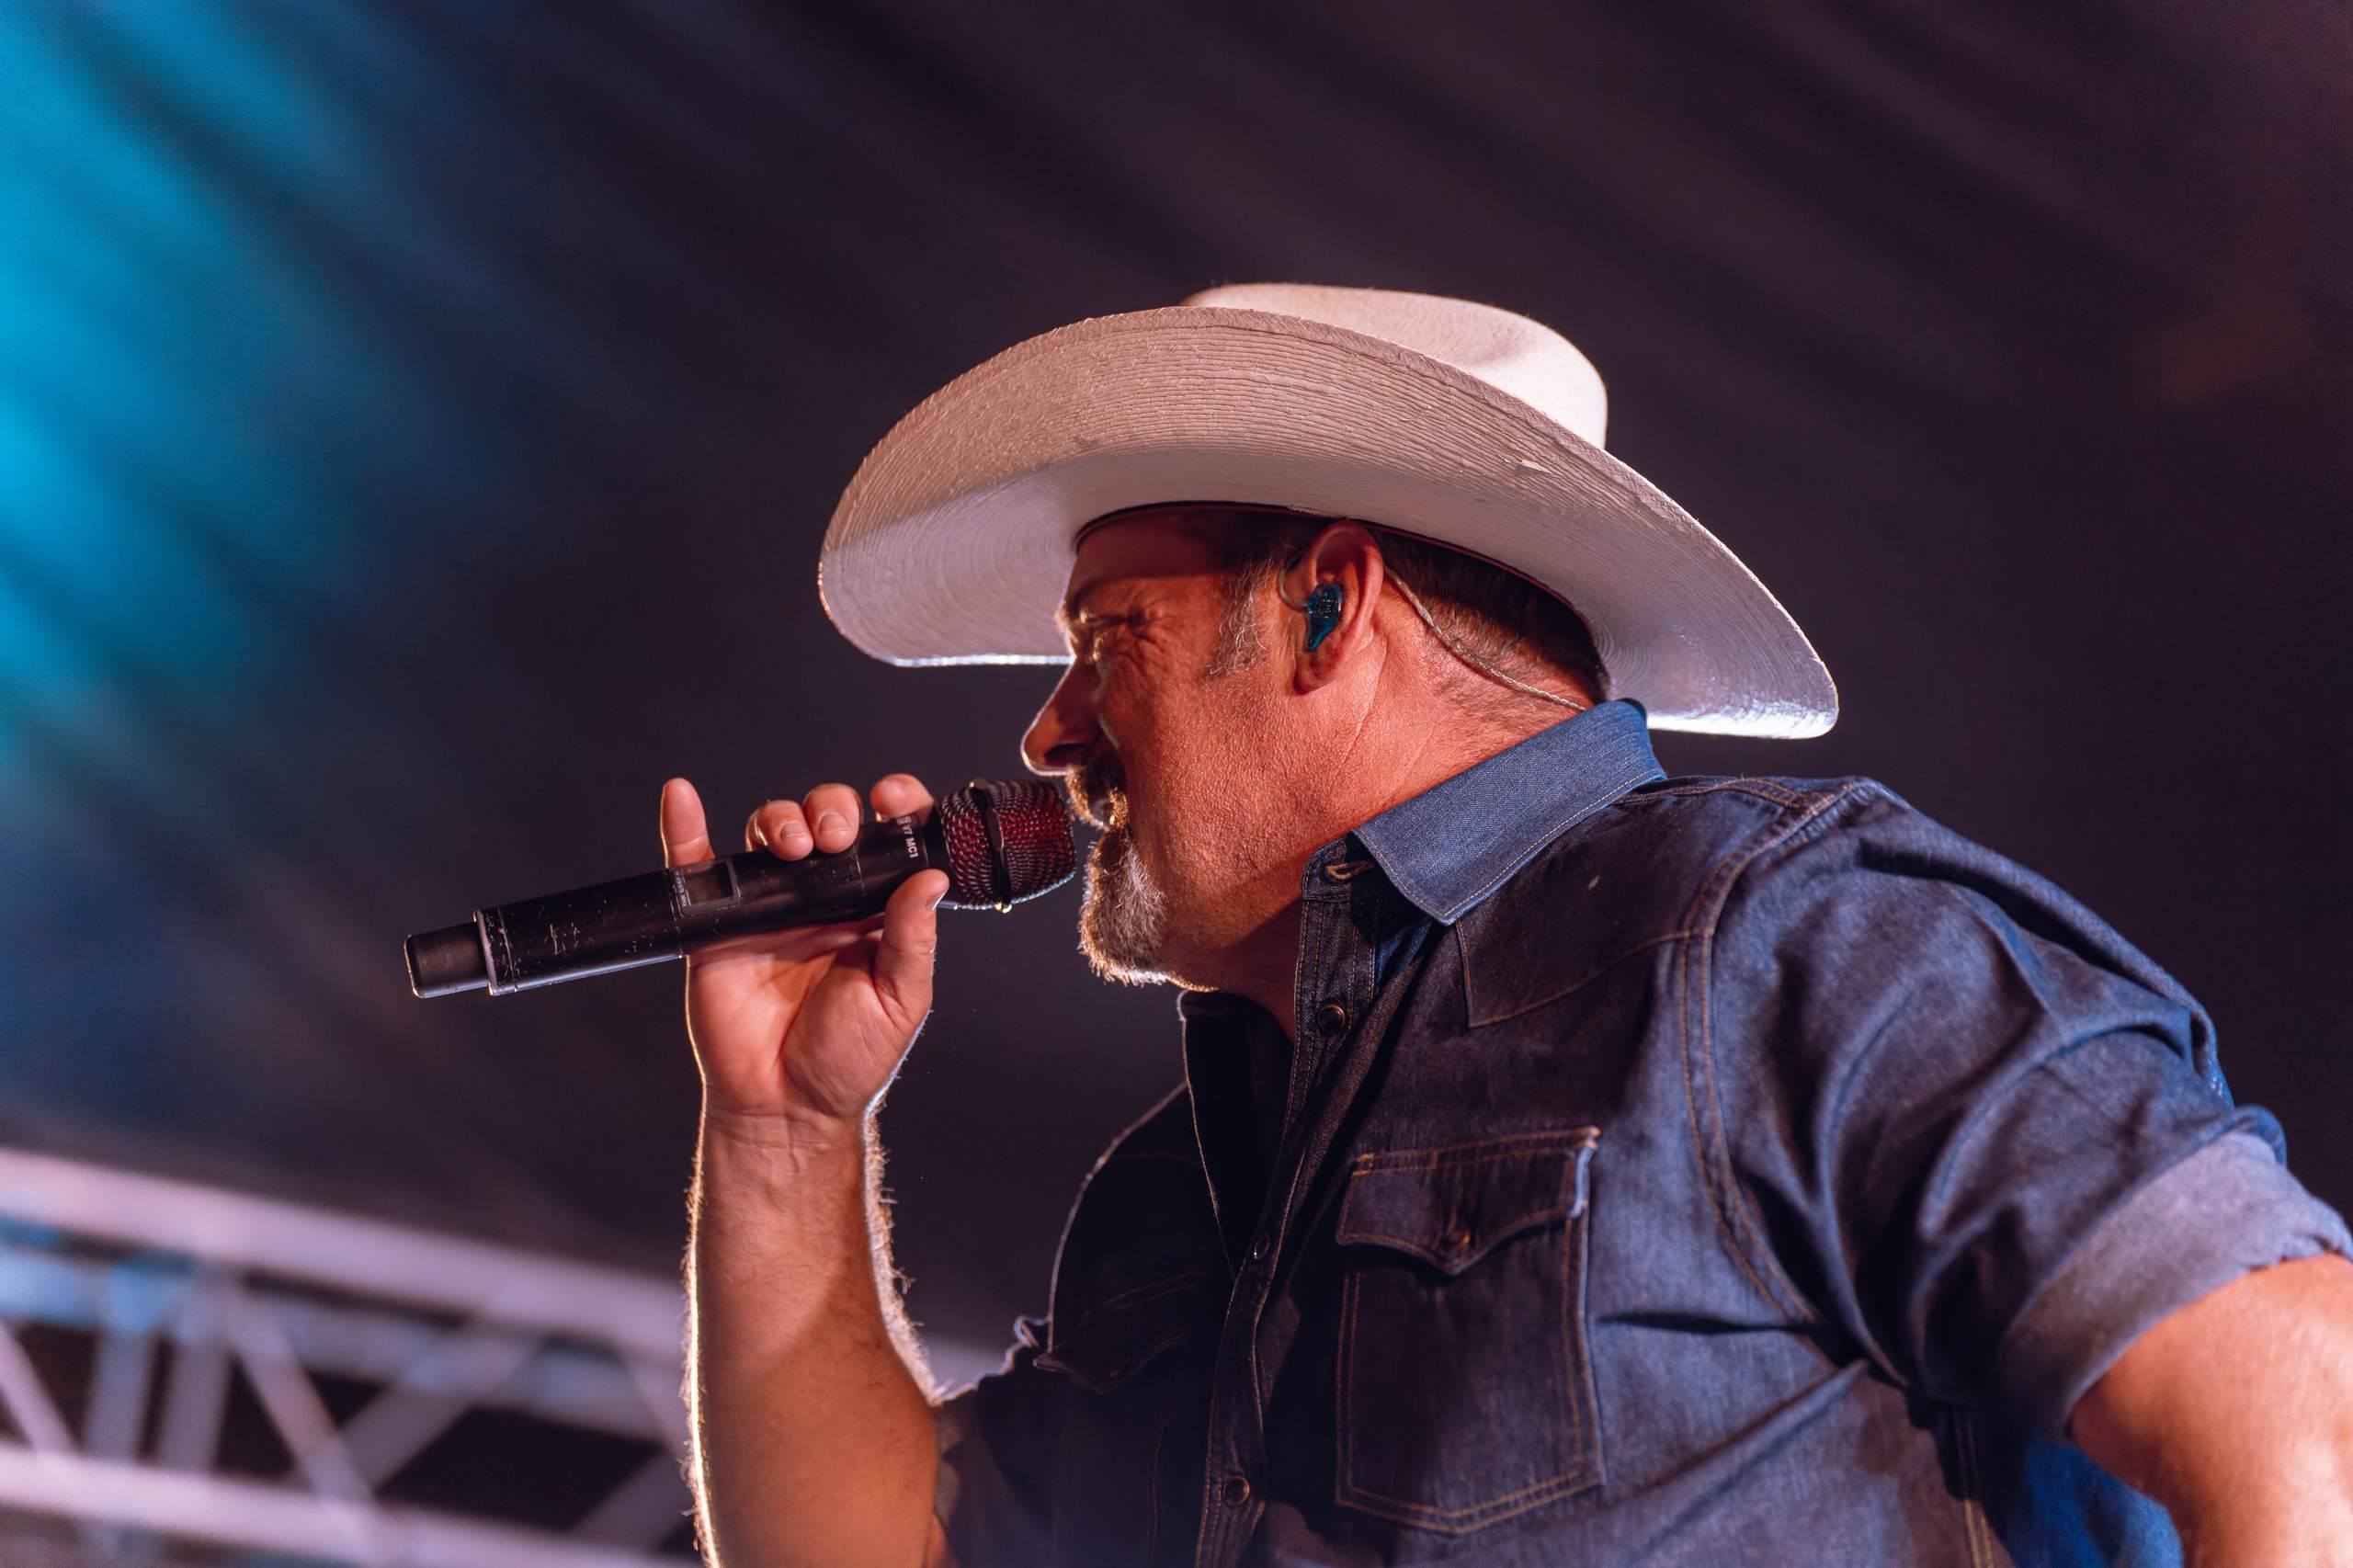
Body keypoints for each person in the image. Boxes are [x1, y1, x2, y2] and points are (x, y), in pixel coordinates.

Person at [665, 286, 2353, 1566]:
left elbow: (2301, 1401)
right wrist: (783, 1126)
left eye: (1112, 634)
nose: (1049, 730)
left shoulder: (1779, 938)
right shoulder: (1174, 1198)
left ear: (1333, 603)